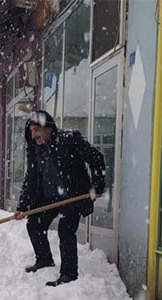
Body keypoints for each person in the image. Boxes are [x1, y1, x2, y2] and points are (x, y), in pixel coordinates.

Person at [15, 110, 106, 287]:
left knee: (66, 230)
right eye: (31, 131)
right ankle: (44, 260)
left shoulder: (70, 139)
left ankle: (68, 274)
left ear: (48, 128)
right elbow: (32, 178)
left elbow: (96, 158)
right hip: (50, 196)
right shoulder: (35, 149)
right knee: (34, 223)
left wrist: (97, 187)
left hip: (72, 196)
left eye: (36, 130)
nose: (33, 135)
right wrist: (23, 206)